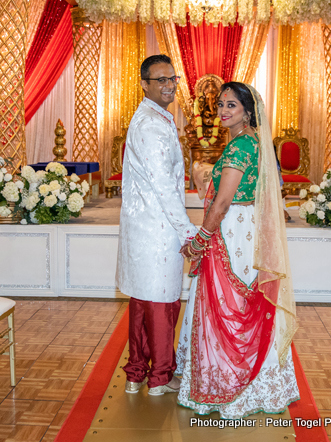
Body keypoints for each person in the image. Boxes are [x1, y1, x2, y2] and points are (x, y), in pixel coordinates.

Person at [177, 82, 299, 418]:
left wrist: (199, 241)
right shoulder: (256, 143)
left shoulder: (237, 150)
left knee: (228, 303)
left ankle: (228, 383)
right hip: (250, 231)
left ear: (248, 110)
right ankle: (264, 381)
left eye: (231, 105)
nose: (223, 111)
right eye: (220, 105)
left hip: (231, 233)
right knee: (249, 301)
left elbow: (221, 204)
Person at [116, 54, 198, 396]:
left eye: (172, 79)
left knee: (143, 300)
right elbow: (163, 185)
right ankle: (160, 378)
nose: (168, 86)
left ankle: (137, 372)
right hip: (157, 228)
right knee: (162, 303)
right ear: (145, 84)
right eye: (160, 80)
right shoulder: (151, 125)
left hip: (145, 225)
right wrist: (188, 230)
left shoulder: (152, 116)